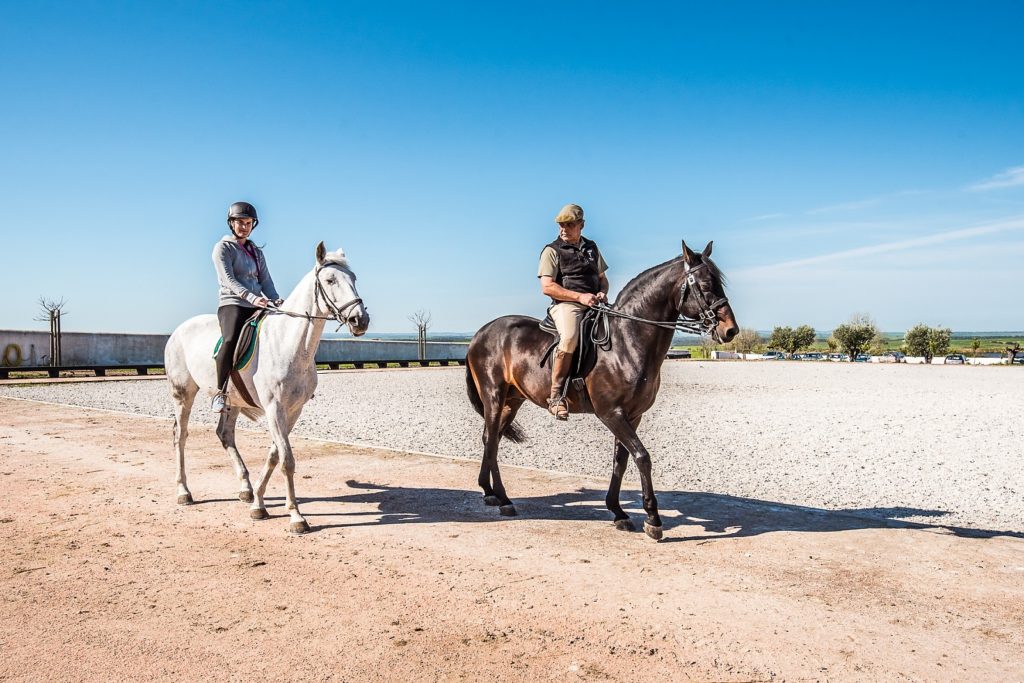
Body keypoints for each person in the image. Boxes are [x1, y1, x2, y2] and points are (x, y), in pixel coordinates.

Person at [537, 203, 609, 420]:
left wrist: (602, 293)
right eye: (561, 225)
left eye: (569, 225)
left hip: (593, 303)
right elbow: (547, 287)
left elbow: (603, 280)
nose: (563, 229)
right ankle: (556, 395)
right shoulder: (552, 251)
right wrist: (579, 297)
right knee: (569, 338)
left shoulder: (592, 248)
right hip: (566, 305)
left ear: (581, 225)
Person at [210, 201, 282, 413]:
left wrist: (276, 300)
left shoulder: (257, 252)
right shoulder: (223, 248)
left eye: (248, 222)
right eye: (240, 222)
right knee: (231, 339)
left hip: (257, 303)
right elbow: (230, 280)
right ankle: (219, 392)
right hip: (233, 303)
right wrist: (251, 298)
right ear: (231, 223)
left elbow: (266, 281)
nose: (244, 226)